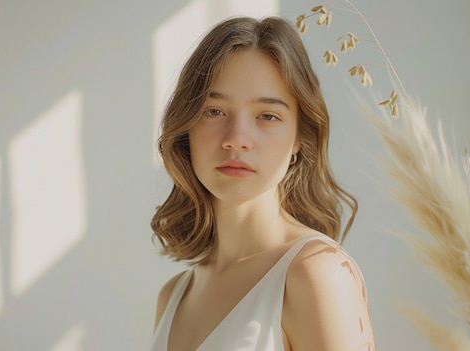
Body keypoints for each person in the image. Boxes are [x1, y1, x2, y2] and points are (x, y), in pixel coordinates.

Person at [150, 15, 374, 351]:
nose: (237, 139)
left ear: (299, 136)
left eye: (267, 116)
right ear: (186, 127)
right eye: (214, 111)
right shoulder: (173, 296)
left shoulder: (316, 273)